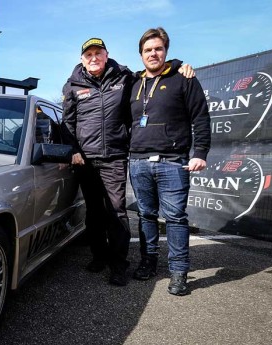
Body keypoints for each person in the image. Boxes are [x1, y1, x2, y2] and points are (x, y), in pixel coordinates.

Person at [62, 38, 195, 286]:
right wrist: (73, 150)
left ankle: (118, 264)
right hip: (85, 160)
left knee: (116, 212)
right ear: (82, 59)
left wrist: (177, 65)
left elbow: (153, 74)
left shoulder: (124, 77)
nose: (93, 58)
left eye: (98, 53)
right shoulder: (72, 86)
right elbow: (67, 123)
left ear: (106, 54)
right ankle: (99, 256)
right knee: (93, 213)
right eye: (88, 54)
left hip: (114, 157)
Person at [128, 27, 211, 296]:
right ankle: (148, 263)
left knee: (175, 218)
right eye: (147, 50)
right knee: (145, 216)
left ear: (166, 51)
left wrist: (200, 153)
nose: (153, 53)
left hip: (172, 162)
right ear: (140, 54)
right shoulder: (132, 82)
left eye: (158, 49)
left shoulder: (183, 79)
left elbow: (201, 117)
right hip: (139, 161)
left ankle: (178, 272)